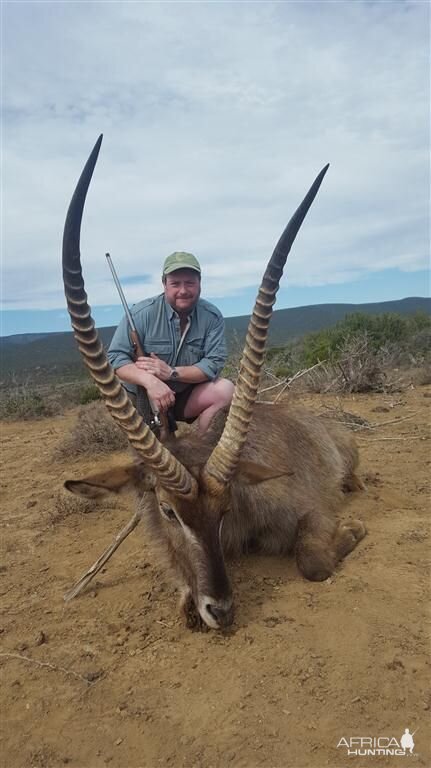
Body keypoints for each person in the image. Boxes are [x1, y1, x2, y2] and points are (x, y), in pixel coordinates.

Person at [107, 251, 234, 434]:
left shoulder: (212, 316)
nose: (183, 290)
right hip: (144, 397)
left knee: (226, 391)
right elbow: (116, 358)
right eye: (175, 283)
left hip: (184, 395)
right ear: (164, 284)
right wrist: (150, 382)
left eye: (190, 282)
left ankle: (204, 449)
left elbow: (213, 363)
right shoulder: (140, 314)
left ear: (199, 283)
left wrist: (171, 373)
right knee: (150, 455)